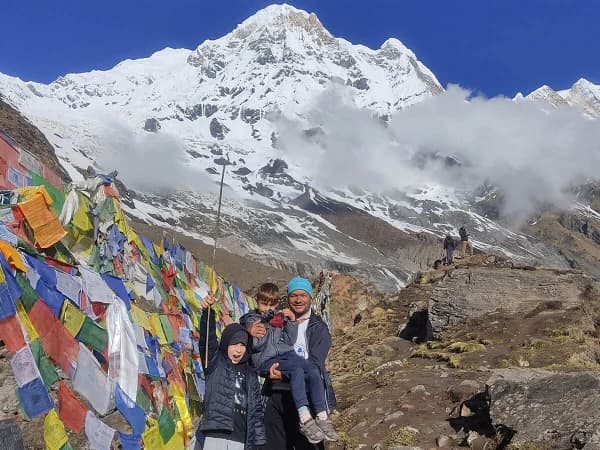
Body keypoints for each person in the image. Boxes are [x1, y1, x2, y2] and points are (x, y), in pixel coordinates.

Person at [240, 283, 338, 444]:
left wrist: (290, 323)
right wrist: (250, 328)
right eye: (294, 295)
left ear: (310, 298)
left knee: (309, 369)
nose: (298, 300)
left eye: (303, 295)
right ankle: (305, 419)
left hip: (306, 392)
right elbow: (248, 328)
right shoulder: (261, 320)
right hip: (276, 391)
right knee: (275, 441)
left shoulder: (318, 327)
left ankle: (320, 417)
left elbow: (314, 361)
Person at [194, 294, 266, 450]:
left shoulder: (251, 374)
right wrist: (208, 312)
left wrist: (259, 442)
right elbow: (208, 340)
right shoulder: (215, 363)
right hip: (215, 435)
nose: (238, 349)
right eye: (234, 344)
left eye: (242, 345)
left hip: (241, 439)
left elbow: (256, 411)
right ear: (226, 343)